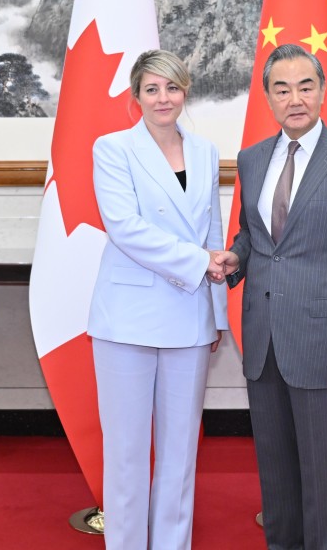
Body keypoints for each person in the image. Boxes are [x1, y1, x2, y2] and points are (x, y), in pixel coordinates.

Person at [218, 43, 327, 549]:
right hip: (263, 339)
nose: (295, 98)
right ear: (268, 97)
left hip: (323, 342)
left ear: (323, 91)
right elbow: (258, 237)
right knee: (276, 478)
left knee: (321, 476)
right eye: (282, 88)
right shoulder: (251, 160)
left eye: (305, 86)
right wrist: (234, 258)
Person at [88, 49, 229, 550]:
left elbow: (211, 227)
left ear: (184, 91)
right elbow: (125, 229)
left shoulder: (207, 151)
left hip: (191, 318)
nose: (163, 98)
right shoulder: (112, 149)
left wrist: (216, 317)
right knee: (126, 453)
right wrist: (198, 265)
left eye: (171, 87)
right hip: (125, 320)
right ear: (136, 97)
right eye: (151, 89)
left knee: (180, 453)